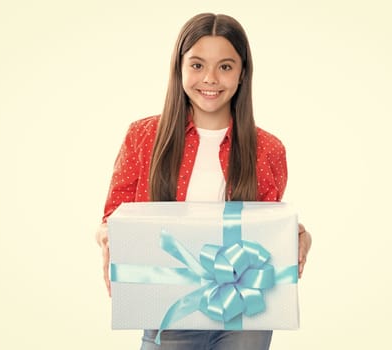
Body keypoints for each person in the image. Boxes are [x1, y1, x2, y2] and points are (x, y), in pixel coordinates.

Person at [95, 12, 312, 350]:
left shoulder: (268, 148)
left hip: (246, 319)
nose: (210, 78)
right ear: (178, 68)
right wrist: (109, 237)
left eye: (225, 66)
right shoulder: (143, 137)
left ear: (242, 73)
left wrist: (296, 235)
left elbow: (267, 230)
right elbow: (111, 217)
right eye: (197, 65)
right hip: (168, 310)